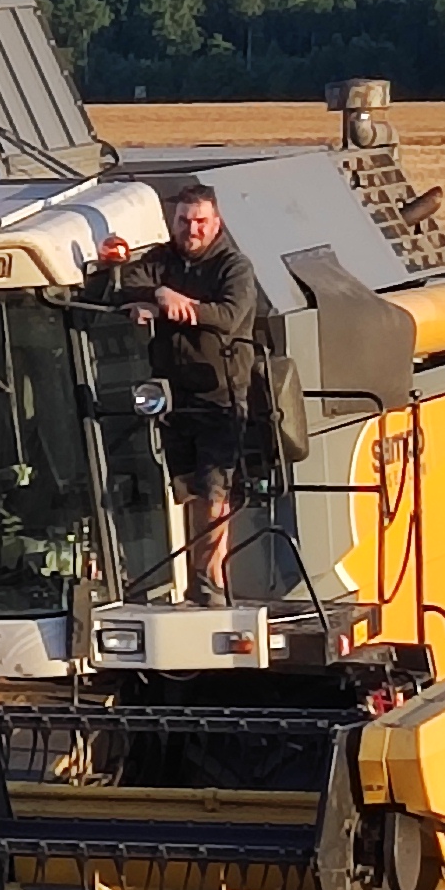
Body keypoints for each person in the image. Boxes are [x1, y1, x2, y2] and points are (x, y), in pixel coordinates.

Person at [142, 183, 268, 597]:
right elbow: (124, 282)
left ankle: (209, 581)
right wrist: (157, 294)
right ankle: (194, 577)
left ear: (217, 223)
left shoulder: (235, 267)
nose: (191, 229)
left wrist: (181, 307)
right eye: (184, 220)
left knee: (215, 492)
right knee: (187, 490)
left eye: (199, 221)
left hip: (221, 397)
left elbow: (230, 315)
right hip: (172, 396)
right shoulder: (161, 260)